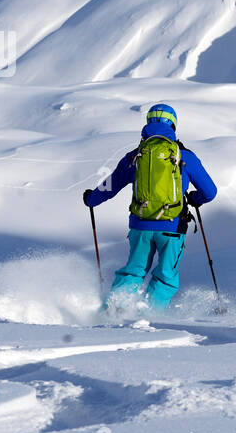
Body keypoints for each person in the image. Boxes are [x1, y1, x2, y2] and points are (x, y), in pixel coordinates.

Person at [83, 104, 217, 313]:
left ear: (147, 123)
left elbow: (111, 186)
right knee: (166, 276)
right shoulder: (184, 156)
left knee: (133, 272)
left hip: (140, 226)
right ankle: (149, 315)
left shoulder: (135, 156)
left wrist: (91, 199)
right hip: (172, 228)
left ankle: (113, 311)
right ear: (173, 125)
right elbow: (210, 192)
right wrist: (194, 198)